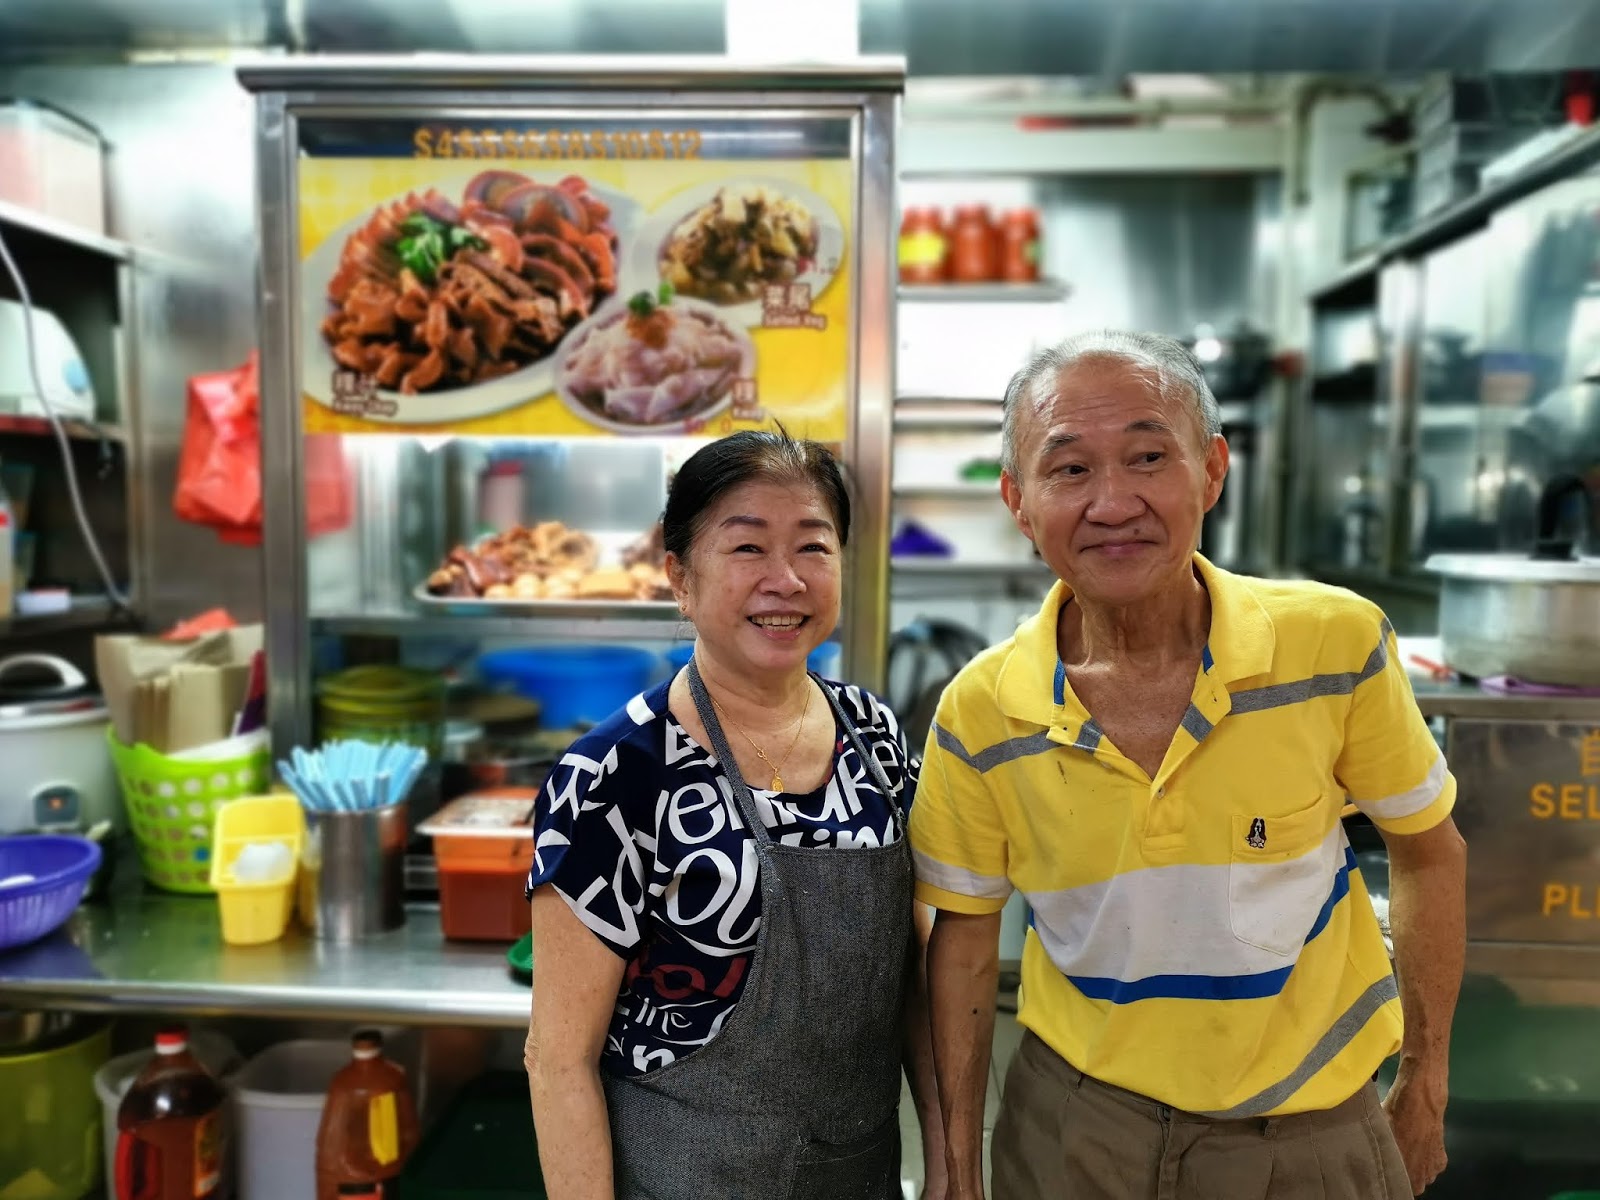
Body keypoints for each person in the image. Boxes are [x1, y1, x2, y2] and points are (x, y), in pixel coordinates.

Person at [910, 330, 1467, 1200]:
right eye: (1069, 470)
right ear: (1019, 503)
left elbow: (1429, 848)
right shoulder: (981, 710)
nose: (1113, 501)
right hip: (1075, 1132)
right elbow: (966, 943)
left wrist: (1425, 1082)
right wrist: (957, 1167)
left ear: (1211, 469)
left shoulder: (1335, 642)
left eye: (1146, 456)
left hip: (1314, 1132)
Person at [523, 429, 944, 1200]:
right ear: (681, 578)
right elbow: (557, 1061)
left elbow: (915, 983)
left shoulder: (875, 736)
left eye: (813, 548)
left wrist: (951, 1167)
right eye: (747, 549)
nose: (785, 580)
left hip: (859, 1176)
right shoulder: (615, 775)